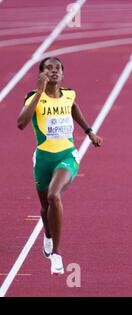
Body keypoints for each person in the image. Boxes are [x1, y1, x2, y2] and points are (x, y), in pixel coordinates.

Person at [17, 57, 102, 274]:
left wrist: (89, 131)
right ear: (41, 74)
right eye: (48, 69)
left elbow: (73, 108)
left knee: (55, 196)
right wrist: (38, 91)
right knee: (46, 208)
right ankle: (47, 234)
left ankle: (56, 253)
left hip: (67, 156)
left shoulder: (69, 94)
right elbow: (21, 124)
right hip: (43, 159)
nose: (53, 71)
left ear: (62, 75)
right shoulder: (33, 98)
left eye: (57, 69)